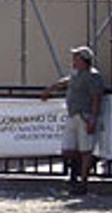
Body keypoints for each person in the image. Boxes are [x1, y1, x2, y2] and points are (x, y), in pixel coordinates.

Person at [43, 46, 104, 194]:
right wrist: (51, 89)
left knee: (85, 149)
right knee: (68, 149)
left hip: (84, 115)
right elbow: (67, 81)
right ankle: (76, 174)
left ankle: (82, 181)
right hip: (73, 115)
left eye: (76, 58)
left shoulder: (93, 76)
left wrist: (93, 118)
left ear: (84, 60)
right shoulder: (77, 74)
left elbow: (96, 98)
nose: (73, 61)